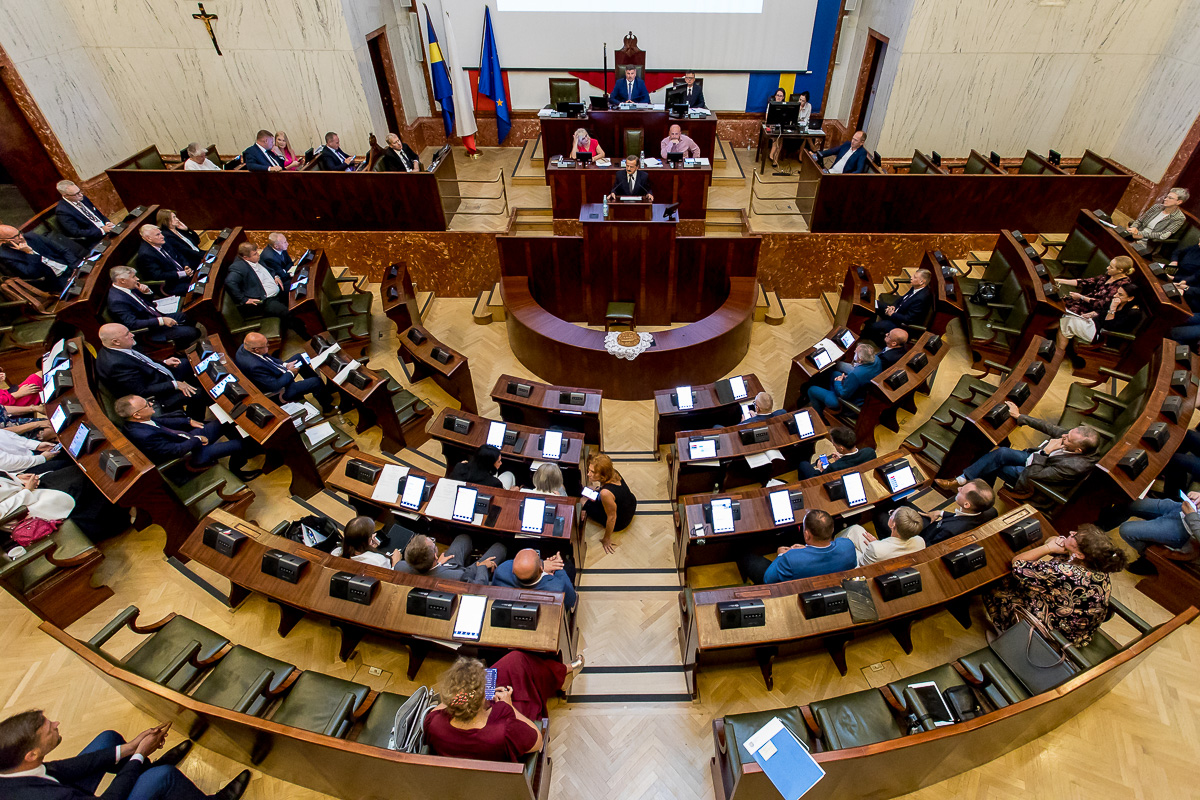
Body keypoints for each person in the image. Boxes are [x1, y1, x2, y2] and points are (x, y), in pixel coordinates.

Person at [0, 711, 250, 800]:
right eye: (48, 729)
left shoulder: (12, 769)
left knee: (108, 739)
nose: (56, 723)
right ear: (31, 754)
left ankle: (142, 768)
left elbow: (59, 770)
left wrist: (130, 748)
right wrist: (138, 755)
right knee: (165, 776)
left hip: (56, 789)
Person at [982, 524, 1127, 646]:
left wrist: (1049, 548)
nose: (1071, 533)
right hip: (1077, 630)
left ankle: (1005, 633)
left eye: (1074, 536)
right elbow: (1051, 540)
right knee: (1023, 582)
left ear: (1080, 554)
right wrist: (1059, 543)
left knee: (996, 586)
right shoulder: (1097, 566)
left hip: (1053, 635)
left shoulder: (1065, 573)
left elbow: (1017, 564)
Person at [425, 651, 582, 762]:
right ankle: (561, 675)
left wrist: (466, 691)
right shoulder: (504, 730)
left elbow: (443, 705)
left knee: (515, 661)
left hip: (473, 729)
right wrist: (509, 707)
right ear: (483, 698)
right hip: (501, 746)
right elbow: (537, 740)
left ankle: (561, 675)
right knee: (521, 678)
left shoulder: (434, 723)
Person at [935, 403, 1101, 498]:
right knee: (1000, 453)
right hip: (1037, 459)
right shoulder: (1072, 438)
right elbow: (1050, 427)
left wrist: (1046, 453)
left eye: (1067, 439)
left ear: (1078, 450)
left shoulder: (1074, 466)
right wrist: (1020, 416)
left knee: (994, 464)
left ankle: (979, 494)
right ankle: (964, 480)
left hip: (1033, 477)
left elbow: (1034, 476)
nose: (1063, 436)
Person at [115, 395, 259, 481]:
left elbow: (161, 422)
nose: (151, 403)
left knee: (226, 421)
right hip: (189, 456)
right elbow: (176, 451)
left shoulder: (139, 421)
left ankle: (248, 450)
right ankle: (237, 470)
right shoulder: (144, 436)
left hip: (187, 439)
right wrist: (197, 439)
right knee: (241, 444)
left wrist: (187, 421)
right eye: (147, 404)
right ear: (137, 415)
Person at [95, 323, 205, 418]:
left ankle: (205, 386)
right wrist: (175, 385)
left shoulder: (119, 346)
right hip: (154, 396)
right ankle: (196, 423)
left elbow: (142, 361)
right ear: (116, 341)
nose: (132, 335)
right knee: (197, 393)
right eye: (127, 334)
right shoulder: (116, 365)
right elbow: (142, 391)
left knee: (185, 363)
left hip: (155, 376)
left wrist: (164, 362)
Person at [737, 509, 856, 584]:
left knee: (743, 554)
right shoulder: (848, 545)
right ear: (832, 529)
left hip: (797, 588)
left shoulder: (789, 559)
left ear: (806, 534)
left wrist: (781, 555)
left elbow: (768, 579)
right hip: (833, 581)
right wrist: (806, 550)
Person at [234, 331, 334, 412]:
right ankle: (327, 408)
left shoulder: (245, 347)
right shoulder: (254, 366)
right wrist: (290, 372)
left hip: (276, 373)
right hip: (280, 391)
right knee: (315, 382)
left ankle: (322, 391)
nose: (268, 346)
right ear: (256, 350)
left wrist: (285, 365)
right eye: (266, 345)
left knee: (299, 358)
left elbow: (268, 358)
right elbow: (275, 386)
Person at [225, 243, 307, 338]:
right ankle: (304, 333)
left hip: (278, 289)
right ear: (246, 258)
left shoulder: (256, 259)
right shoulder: (238, 267)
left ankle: (308, 318)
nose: (258, 255)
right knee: (285, 312)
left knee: (297, 286)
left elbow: (268, 269)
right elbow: (230, 282)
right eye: (255, 254)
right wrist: (243, 299)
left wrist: (275, 276)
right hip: (266, 300)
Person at [106, 266, 202, 347]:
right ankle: (181, 349)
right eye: (133, 277)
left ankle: (181, 331)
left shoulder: (128, 287)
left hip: (157, 315)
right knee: (194, 332)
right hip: (152, 329)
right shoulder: (117, 301)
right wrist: (161, 321)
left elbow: (148, 304)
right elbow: (132, 323)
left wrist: (147, 292)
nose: (137, 279)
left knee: (191, 313)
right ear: (122, 281)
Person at [1109, 492, 1200, 575]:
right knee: (1131, 503)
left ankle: (1149, 559)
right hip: (1181, 509)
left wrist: (1191, 515)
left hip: (1185, 531)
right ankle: (1101, 525)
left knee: (1126, 530)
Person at [1053, 256, 1135, 345]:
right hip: (1082, 302)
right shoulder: (1108, 275)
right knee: (1056, 304)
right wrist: (1059, 280)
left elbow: (1101, 304)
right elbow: (1085, 282)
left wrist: (1081, 297)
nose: (1107, 268)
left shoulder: (1122, 286)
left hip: (1091, 311)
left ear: (1120, 270)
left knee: (1062, 315)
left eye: (1111, 267)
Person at [394, 532, 504, 583]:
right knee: (500, 548)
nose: (433, 541)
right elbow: (479, 586)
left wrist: (438, 565)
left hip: (443, 567)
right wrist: (482, 567)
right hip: (466, 573)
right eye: (433, 543)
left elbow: (397, 565)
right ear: (435, 556)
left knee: (463, 538)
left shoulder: (399, 566)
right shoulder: (459, 577)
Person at [806, 342, 881, 417]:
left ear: (860, 359)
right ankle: (823, 397)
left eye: (856, 352)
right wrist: (848, 379)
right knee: (834, 373)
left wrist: (838, 382)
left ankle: (819, 417)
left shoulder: (856, 374)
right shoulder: (877, 360)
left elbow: (843, 395)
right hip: (861, 393)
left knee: (812, 390)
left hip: (846, 403)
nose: (854, 351)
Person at [912, 480, 996, 546]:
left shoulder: (949, 530)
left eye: (962, 490)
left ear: (966, 504)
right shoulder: (991, 511)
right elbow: (960, 518)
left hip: (923, 539)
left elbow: (930, 547)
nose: (959, 488)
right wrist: (941, 513)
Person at [582, 453, 637, 554]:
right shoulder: (614, 472)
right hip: (631, 503)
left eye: (593, 472)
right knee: (592, 491)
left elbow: (612, 518)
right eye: (589, 470)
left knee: (583, 501)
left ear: (602, 475)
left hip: (620, 521)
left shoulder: (606, 493)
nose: (588, 474)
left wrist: (606, 539)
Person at [839, 506, 926, 566]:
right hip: (882, 555)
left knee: (848, 547)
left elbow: (862, 565)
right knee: (855, 529)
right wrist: (877, 544)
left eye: (892, 514)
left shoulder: (876, 549)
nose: (890, 515)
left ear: (893, 524)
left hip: (870, 567)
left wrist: (876, 546)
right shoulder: (920, 542)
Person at [493, 548, 577, 609]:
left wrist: (540, 565)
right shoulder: (557, 587)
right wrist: (558, 567)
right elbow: (572, 600)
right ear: (541, 569)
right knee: (569, 567)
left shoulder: (501, 571)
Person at [863, 268, 933, 342]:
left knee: (874, 326)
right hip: (896, 312)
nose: (911, 278)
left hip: (901, 324)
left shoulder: (921, 298)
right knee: (874, 304)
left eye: (915, 277)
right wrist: (893, 306)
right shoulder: (916, 287)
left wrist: (892, 314)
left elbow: (909, 319)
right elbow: (902, 298)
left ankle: (864, 335)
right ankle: (868, 323)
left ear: (922, 282)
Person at [0, 225, 72, 292]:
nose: (21, 237)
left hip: (68, 267)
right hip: (55, 281)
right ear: (4, 241)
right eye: (16, 237)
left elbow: (63, 250)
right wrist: (29, 253)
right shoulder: (6, 257)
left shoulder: (32, 236)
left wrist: (76, 266)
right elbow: (33, 274)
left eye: (19, 233)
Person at [1123, 188, 1188, 256]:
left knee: (1126, 250)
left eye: (1170, 198)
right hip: (1134, 236)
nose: (1165, 199)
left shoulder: (1179, 218)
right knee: (1119, 239)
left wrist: (1139, 234)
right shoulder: (1157, 207)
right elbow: (1140, 220)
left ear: (1179, 202)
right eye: (1166, 197)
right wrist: (1133, 228)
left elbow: (1163, 235)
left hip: (1148, 243)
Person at [797, 425, 876, 479]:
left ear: (841, 448)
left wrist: (819, 470)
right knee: (819, 461)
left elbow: (818, 480)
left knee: (803, 464)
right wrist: (841, 459)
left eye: (834, 444)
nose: (833, 445)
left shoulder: (834, 467)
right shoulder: (870, 452)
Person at [136, 226, 193, 297]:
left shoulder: (162, 241)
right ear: (149, 238)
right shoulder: (146, 254)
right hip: (171, 284)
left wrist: (186, 266)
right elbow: (158, 275)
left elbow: (179, 255)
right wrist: (183, 273)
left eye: (161, 233)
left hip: (185, 274)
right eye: (158, 235)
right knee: (195, 287)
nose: (162, 236)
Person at [54, 181, 112, 249]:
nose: (81, 195)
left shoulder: (82, 198)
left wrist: (107, 222)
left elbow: (97, 213)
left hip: (106, 228)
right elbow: (76, 232)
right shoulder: (62, 211)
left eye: (80, 191)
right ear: (66, 196)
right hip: (94, 239)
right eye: (76, 194)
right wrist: (101, 230)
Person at [329, 516, 403, 568]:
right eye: (371, 534)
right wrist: (395, 563)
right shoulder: (379, 561)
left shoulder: (335, 553)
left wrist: (368, 547)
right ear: (367, 540)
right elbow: (389, 578)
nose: (374, 535)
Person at [449, 444, 517, 490]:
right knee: (509, 475)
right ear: (490, 464)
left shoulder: (459, 467)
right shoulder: (495, 483)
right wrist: (511, 492)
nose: (501, 463)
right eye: (499, 461)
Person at [766, 88, 788, 168]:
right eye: (777, 95)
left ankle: (775, 158)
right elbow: (767, 117)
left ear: (783, 97)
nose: (779, 97)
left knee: (780, 137)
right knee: (777, 136)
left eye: (781, 96)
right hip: (771, 126)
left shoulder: (785, 106)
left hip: (781, 126)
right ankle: (773, 156)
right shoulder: (770, 104)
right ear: (775, 96)